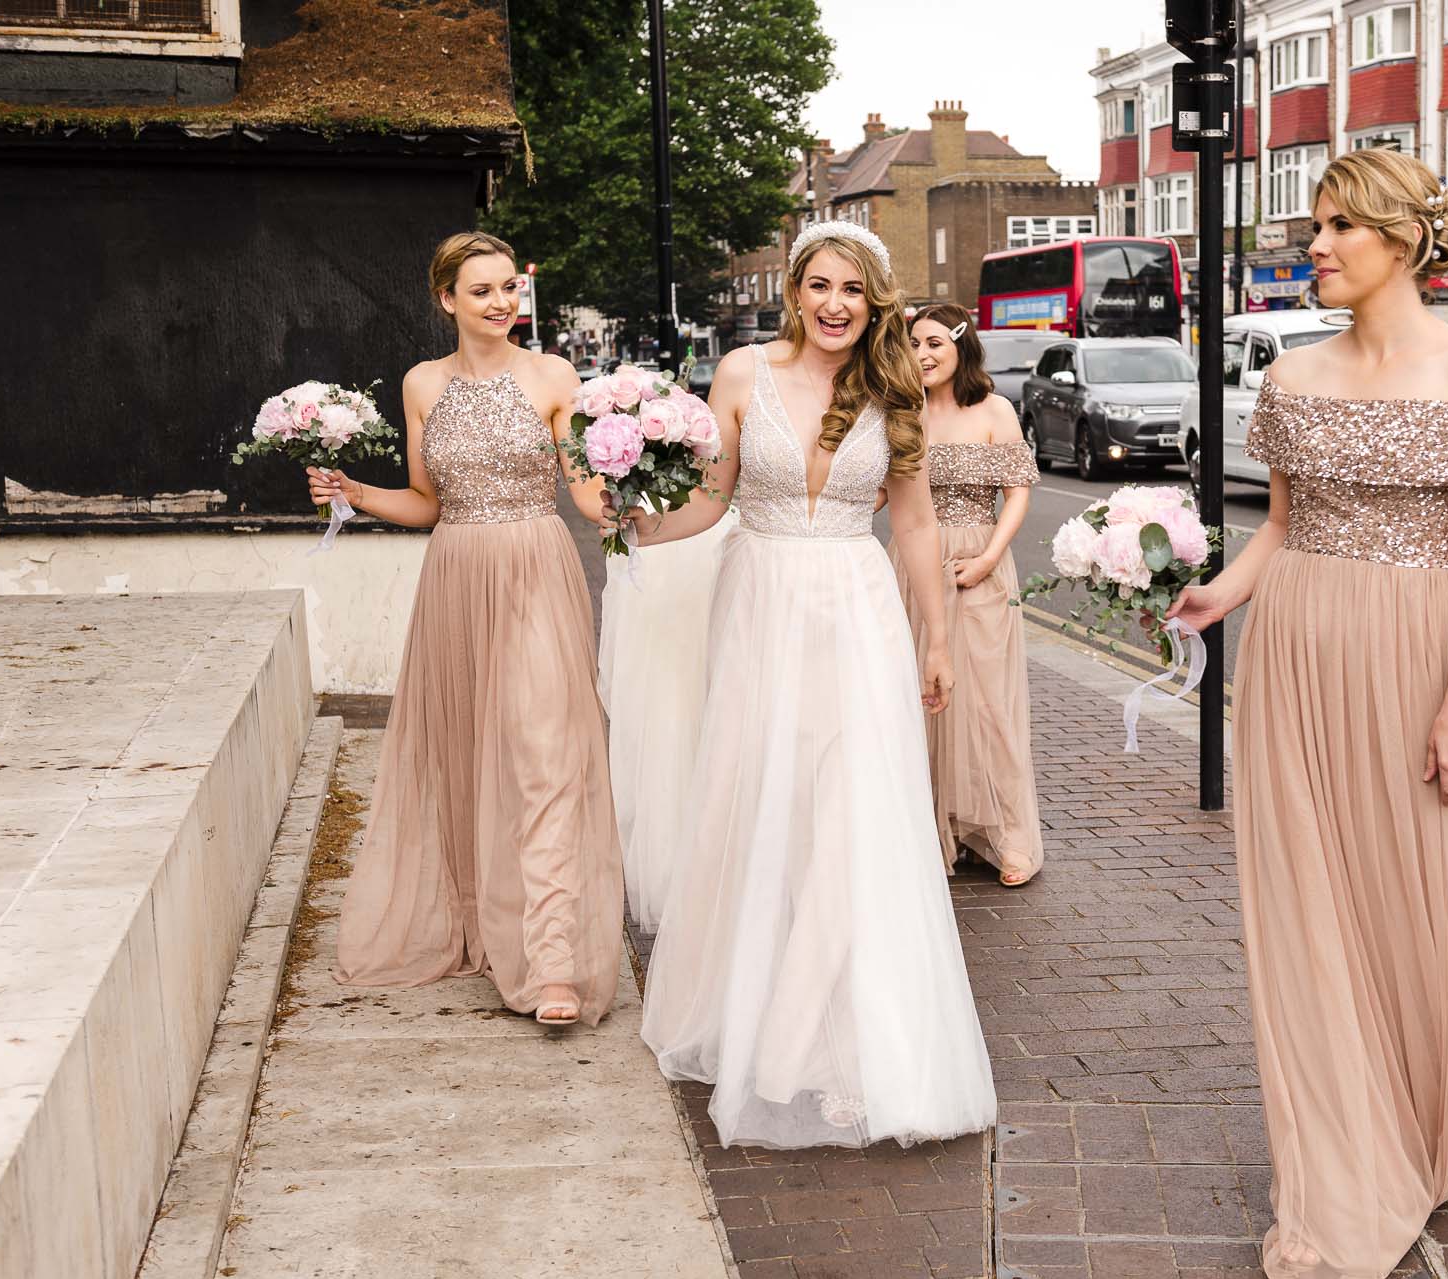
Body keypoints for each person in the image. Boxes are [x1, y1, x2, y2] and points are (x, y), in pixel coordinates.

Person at [1159, 149, 1448, 1279]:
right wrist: (1226, 589)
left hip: (1419, 654)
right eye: (1311, 227)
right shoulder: (1291, 376)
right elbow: (1283, 523)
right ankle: (1341, 1154)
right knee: (1308, 896)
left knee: (1412, 886)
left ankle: (1429, 1105)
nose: (1310, 245)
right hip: (1296, 656)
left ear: (1399, 240)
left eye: (1333, 227)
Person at [623, 221, 997, 1150]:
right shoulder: (743, 374)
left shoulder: (894, 385)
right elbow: (714, 494)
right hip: (759, 604)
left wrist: (936, 641)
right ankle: (752, 1011)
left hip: (857, 611)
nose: (837, 305)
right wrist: (640, 522)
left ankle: (803, 1037)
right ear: (794, 291)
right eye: (821, 286)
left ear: (876, 301)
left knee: (853, 816)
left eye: (855, 291)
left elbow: (911, 527)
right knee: (766, 811)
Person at [316, 232, 626, 1029]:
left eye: (509, 288)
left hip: (535, 572)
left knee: (545, 756)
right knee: (465, 758)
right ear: (446, 299)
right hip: (457, 578)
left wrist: (645, 491)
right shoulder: (422, 384)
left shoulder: (555, 376)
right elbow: (427, 502)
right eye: (481, 290)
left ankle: (553, 959)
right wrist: (353, 489)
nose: (501, 303)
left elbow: (586, 495)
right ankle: (482, 919)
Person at [889, 304, 1044, 887]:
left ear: (961, 348)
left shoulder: (994, 409)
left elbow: (1018, 493)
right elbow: (881, 495)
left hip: (979, 561)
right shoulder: (900, 414)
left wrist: (987, 558)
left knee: (988, 703)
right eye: (913, 344)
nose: (923, 355)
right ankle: (934, 829)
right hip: (913, 567)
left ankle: (1010, 838)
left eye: (934, 343)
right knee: (924, 702)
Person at [597, 505, 733, 934]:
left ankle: (723, 862)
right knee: (657, 697)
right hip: (648, 541)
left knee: (714, 694)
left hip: (714, 533)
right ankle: (672, 867)